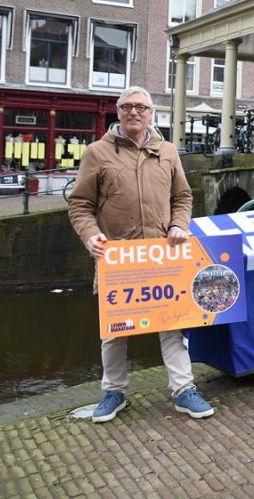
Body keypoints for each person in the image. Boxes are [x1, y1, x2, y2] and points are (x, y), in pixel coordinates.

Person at [68, 87, 215, 422]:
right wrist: (91, 236)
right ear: (118, 112)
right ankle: (114, 392)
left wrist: (179, 224)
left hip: (163, 255)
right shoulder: (97, 152)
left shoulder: (167, 151)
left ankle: (183, 390)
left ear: (151, 113)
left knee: (173, 325)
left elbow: (182, 196)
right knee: (115, 330)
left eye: (141, 107)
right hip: (118, 258)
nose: (135, 112)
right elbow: (79, 204)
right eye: (128, 106)